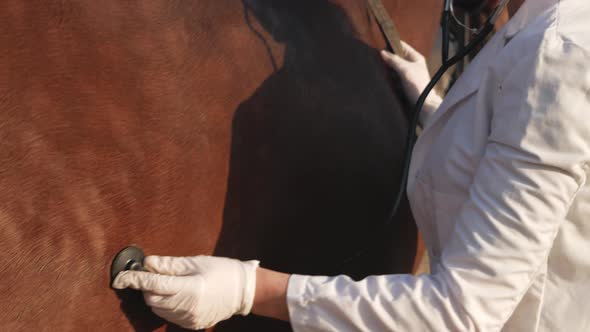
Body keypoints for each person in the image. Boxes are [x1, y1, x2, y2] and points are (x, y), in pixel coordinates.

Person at [113, 0, 590, 330]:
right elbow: (521, 141)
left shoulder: (560, 55)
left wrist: (247, 289)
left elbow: (460, 314)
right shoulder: (533, 22)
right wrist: (440, 112)